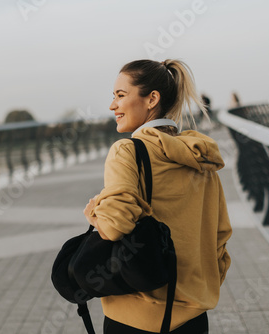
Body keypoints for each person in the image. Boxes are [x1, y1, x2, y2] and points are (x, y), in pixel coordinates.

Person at [83, 59, 232, 334]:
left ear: (152, 99)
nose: (112, 105)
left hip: (135, 317)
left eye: (120, 95)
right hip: (194, 317)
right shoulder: (202, 157)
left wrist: (94, 210)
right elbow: (220, 236)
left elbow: (115, 225)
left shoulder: (126, 151)